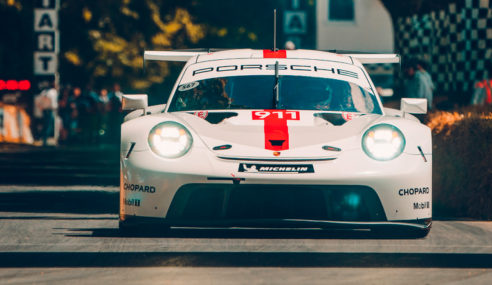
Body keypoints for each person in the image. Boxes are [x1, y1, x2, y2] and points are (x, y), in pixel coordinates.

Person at [40, 81, 59, 146]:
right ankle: (45, 141)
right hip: (50, 110)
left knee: (46, 125)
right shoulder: (53, 92)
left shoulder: (43, 92)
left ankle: (44, 140)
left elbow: (40, 102)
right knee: (49, 126)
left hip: (45, 110)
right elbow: (53, 103)